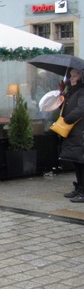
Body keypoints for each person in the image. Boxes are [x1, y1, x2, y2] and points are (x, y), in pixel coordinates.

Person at [59, 68, 84, 202]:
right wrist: (62, 92)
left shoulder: (82, 91)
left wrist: (67, 119)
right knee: (77, 161)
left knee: (82, 161)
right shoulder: (72, 91)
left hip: (80, 132)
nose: (72, 78)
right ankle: (79, 187)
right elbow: (62, 107)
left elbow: (81, 109)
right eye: (71, 76)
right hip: (72, 132)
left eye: (75, 76)